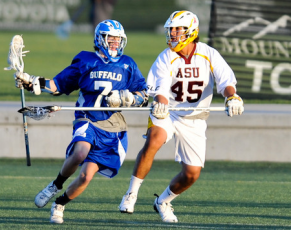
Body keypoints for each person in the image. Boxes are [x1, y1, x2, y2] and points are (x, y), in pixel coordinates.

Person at [15, 19, 148, 224]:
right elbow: (58, 85)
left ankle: (60, 203)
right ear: (100, 39)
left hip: (112, 125)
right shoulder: (86, 60)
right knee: (80, 152)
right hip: (86, 117)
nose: (114, 42)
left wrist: (129, 98)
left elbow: (143, 93)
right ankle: (55, 185)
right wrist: (31, 82)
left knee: (86, 177)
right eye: (110, 38)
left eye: (118, 39)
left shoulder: (128, 64)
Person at [118, 10, 244, 223]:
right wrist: (160, 103)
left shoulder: (208, 53)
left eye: (178, 29)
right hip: (168, 112)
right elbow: (161, 88)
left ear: (191, 31)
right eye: (171, 30)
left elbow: (226, 82)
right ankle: (131, 193)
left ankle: (163, 202)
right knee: (155, 138)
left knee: (192, 174)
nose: (173, 34)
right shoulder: (166, 56)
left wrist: (232, 98)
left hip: (195, 118)